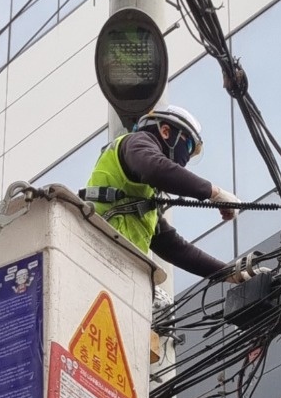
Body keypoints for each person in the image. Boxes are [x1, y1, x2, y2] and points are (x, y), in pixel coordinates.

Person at [84, 105, 239, 280]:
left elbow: (174, 248)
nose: (186, 158)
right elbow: (156, 169)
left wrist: (231, 273)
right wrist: (214, 192)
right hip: (98, 254)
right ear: (165, 131)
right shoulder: (136, 141)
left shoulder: (141, 197)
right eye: (187, 145)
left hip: (119, 271)